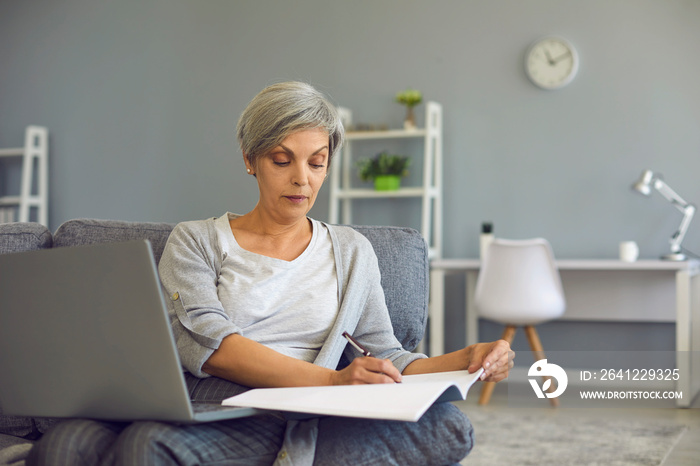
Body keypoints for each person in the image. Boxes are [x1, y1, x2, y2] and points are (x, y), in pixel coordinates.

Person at [27, 81, 513, 465]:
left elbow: (385, 355)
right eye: (282, 160)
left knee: (147, 447)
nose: (302, 177)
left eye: (317, 162)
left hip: (289, 410)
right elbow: (211, 346)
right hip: (209, 402)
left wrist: (466, 356)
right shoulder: (197, 240)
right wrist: (334, 382)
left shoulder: (351, 251)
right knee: (63, 444)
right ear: (250, 160)